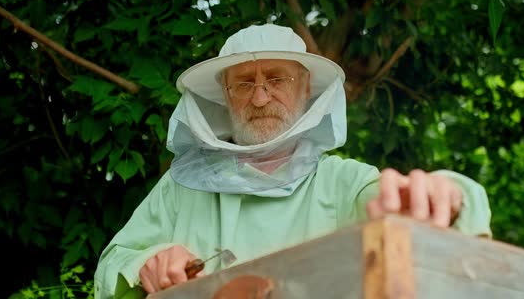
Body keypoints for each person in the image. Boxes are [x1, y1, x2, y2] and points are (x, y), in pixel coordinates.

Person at [94, 23, 491, 298]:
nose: (261, 98)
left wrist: (446, 195)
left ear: (305, 89)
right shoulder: (182, 187)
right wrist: (147, 262)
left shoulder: (345, 183)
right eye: (244, 83)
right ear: (225, 97)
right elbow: (112, 266)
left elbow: (404, 204)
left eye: (277, 79)